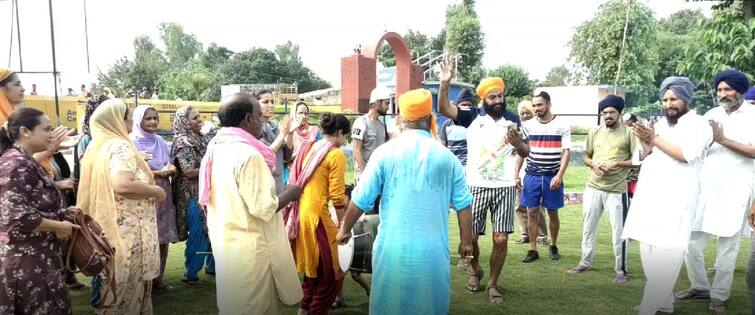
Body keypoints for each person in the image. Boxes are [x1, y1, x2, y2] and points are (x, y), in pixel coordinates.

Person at [336, 88, 474, 315]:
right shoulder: (447, 157)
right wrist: (466, 243)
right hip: (433, 254)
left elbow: (360, 199)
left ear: (400, 120)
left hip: (393, 252)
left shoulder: (385, 153)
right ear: (431, 119)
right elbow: (463, 205)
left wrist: (344, 230)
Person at [199, 93, 303, 314]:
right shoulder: (248, 154)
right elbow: (263, 208)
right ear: (247, 119)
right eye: (258, 115)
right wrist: (291, 194)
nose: (261, 120)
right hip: (251, 250)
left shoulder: (216, 146)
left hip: (228, 246)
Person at [436, 56, 527, 304]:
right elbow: (444, 109)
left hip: (505, 187)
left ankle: (493, 283)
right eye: (492, 97)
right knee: (472, 238)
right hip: (475, 186)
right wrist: (445, 82)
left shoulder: (513, 119)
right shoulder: (472, 116)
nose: (497, 101)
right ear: (483, 99)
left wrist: (519, 144)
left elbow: (526, 151)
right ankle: (475, 271)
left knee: (501, 238)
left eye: (500, 96)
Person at [621, 76, 712, 315]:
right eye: (665, 99)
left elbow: (686, 154)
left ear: (686, 98)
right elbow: (647, 153)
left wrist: (654, 139)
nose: (668, 104)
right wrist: (645, 141)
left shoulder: (700, 124)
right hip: (651, 196)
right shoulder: (660, 124)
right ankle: (663, 303)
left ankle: (649, 308)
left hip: (678, 198)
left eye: (674, 99)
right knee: (648, 250)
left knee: (669, 252)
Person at [77, 98, 166, 314]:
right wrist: (157, 191)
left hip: (109, 229)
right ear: (117, 120)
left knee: (115, 289)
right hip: (128, 232)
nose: (129, 122)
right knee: (128, 291)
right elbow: (122, 184)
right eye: (127, 117)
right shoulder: (120, 146)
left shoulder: (98, 147)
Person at [676, 69, 755, 312]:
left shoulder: (752, 115)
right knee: (690, 242)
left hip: (737, 189)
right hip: (705, 188)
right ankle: (700, 286)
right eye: (719, 89)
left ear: (739, 90)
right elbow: (696, 147)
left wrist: (723, 140)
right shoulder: (711, 114)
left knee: (727, 246)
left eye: (728, 89)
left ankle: (719, 295)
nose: (723, 94)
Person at [0, 108, 80, 315]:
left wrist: (63, 213)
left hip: (40, 258)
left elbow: (32, 206)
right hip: (27, 263)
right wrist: (59, 225)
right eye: (47, 129)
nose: (51, 135)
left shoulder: (24, 160)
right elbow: (14, 216)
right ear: (25, 131)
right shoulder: (15, 163)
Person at [567, 95, 636, 284]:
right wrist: (593, 164)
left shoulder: (629, 133)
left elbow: (637, 161)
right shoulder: (594, 131)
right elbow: (586, 157)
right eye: (604, 112)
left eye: (611, 112)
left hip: (616, 189)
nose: (607, 115)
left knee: (618, 232)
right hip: (593, 187)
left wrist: (616, 164)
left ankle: (621, 270)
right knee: (588, 228)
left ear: (619, 113)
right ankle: (585, 262)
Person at [290, 113, 349, 315]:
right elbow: (338, 197)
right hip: (318, 219)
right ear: (340, 133)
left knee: (313, 271)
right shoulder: (335, 154)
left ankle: (304, 309)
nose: (345, 142)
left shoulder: (308, 147)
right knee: (331, 274)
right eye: (346, 137)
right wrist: (343, 224)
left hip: (302, 216)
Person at [518, 90, 571, 262]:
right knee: (532, 212)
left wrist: (560, 175)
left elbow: (566, 152)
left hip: (552, 176)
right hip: (532, 175)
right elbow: (521, 151)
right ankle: (533, 250)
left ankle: (553, 245)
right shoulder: (528, 125)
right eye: (534, 105)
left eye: (539, 104)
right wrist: (515, 175)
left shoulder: (562, 125)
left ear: (548, 104)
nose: (536, 108)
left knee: (552, 213)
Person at [130, 105, 178, 291]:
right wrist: (159, 171)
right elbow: (131, 170)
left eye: (155, 118)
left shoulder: (159, 141)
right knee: (146, 236)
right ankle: (144, 280)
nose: (153, 122)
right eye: (148, 118)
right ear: (139, 120)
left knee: (162, 236)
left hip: (164, 190)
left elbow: (170, 163)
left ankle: (159, 278)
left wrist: (171, 168)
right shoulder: (132, 142)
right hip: (144, 192)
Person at [170, 106, 215, 285]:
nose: (199, 120)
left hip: (207, 191)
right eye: (194, 117)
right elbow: (188, 171)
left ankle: (212, 266)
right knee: (198, 231)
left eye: (199, 116)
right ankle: (191, 272)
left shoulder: (203, 139)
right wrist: (214, 167)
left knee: (212, 230)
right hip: (190, 194)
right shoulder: (183, 142)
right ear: (184, 121)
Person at [514, 100, 548, 246]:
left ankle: (542, 235)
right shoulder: (517, 130)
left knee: (536, 205)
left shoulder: (538, 129)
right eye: (522, 113)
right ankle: (524, 233)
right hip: (519, 168)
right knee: (519, 203)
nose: (524, 116)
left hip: (536, 169)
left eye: (527, 112)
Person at [256, 89, 293, 194]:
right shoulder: (254, 128)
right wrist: (282, 134)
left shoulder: (274, 126)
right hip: (264, 184)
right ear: (255, 104)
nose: (271, 105)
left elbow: (287, 156)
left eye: (272, 102)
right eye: (265, 102)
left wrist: (290, 133)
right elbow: (267, 154)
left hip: (278, 183)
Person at [352, 86, 389, 181]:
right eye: (386, 103)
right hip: (364, 177)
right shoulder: (361, 122)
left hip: (379, 176)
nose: (388, 107)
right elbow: (356, 151)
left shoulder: (382, 125)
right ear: (377, 102)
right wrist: (366, 175)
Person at [437, 89, 474, 165]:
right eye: (463, 105)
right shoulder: (447, 124)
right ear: (457, 106)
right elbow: (442, 148)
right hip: (453, 167)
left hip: (472, 168)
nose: (466, 107)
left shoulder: (476, 123)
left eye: (469, 105)